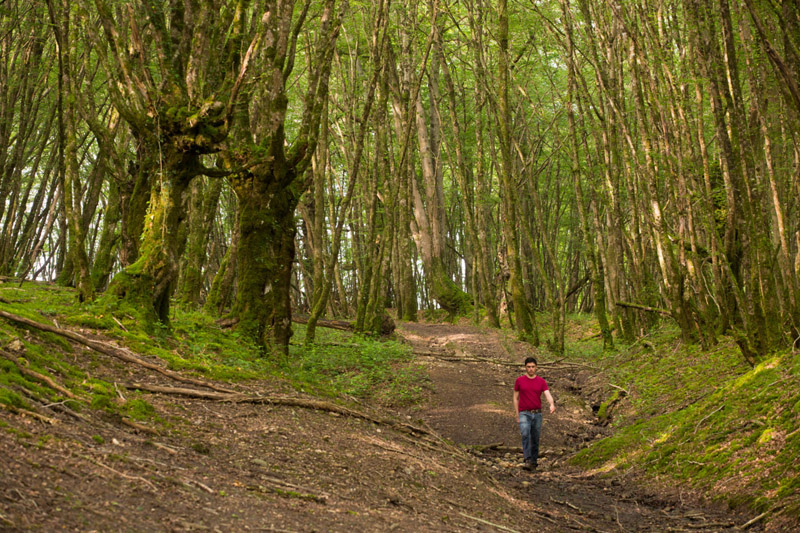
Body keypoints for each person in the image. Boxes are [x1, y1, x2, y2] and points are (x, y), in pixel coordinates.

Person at [513, 356, 555, 471]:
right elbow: (515, 398)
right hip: (524, 413)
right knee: (525, 433)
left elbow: (547, 394)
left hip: (537, 413)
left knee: (535, 437)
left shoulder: (541, 381)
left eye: (532, 367)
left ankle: (534, 462)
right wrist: (517, 414)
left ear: (536, 367)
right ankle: (527, 459)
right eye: (528, 367)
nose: (531, 369)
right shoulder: (519, 380)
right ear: (525, 367)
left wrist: (551, 404)